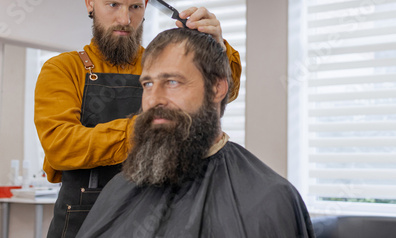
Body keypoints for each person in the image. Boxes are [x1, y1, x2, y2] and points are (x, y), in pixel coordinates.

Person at [34, 0, 242, 238]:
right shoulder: (63, 69)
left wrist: (217, 48)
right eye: (113, 5)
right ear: (90, 2)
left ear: (146, 5)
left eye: (134, 7)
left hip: (152, 215)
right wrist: (149, 129)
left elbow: (219, 95)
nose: (125, 19)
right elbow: (60, 146)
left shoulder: (159, 63)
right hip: (83, 220)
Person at [76, 28, 315, 238]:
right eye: (147, 84)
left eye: (172, 82)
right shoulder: (120, 188)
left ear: (217, 88)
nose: (154, 99)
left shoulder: (269, 199)